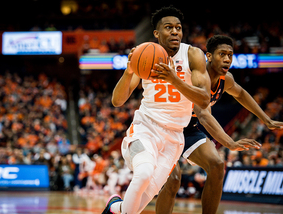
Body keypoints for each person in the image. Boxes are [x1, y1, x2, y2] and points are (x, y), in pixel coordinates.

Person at [155, 35, 283, 214]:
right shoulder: (196, 76)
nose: (227, 59)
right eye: (222, 54)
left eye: (230, 55)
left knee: (216, 165)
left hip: (189, 128)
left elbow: (241, 94)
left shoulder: (226, 79)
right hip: (166, 128)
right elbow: (205, 116)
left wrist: (266, 119)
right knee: (174, 180)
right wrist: (230, 142)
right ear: (208, 56)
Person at [102, 6, 211, 214]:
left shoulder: (193, 55)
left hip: (174, 138)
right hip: (145, 128)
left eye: (178, 28)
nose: (175, 32)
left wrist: (173, 79)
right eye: (168, 27)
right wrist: (128, 71)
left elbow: (204, 100)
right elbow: (117, 101)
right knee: (143, 174)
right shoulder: (145, 54)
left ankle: (113, 207)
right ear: (156, 33)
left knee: (140, 200)